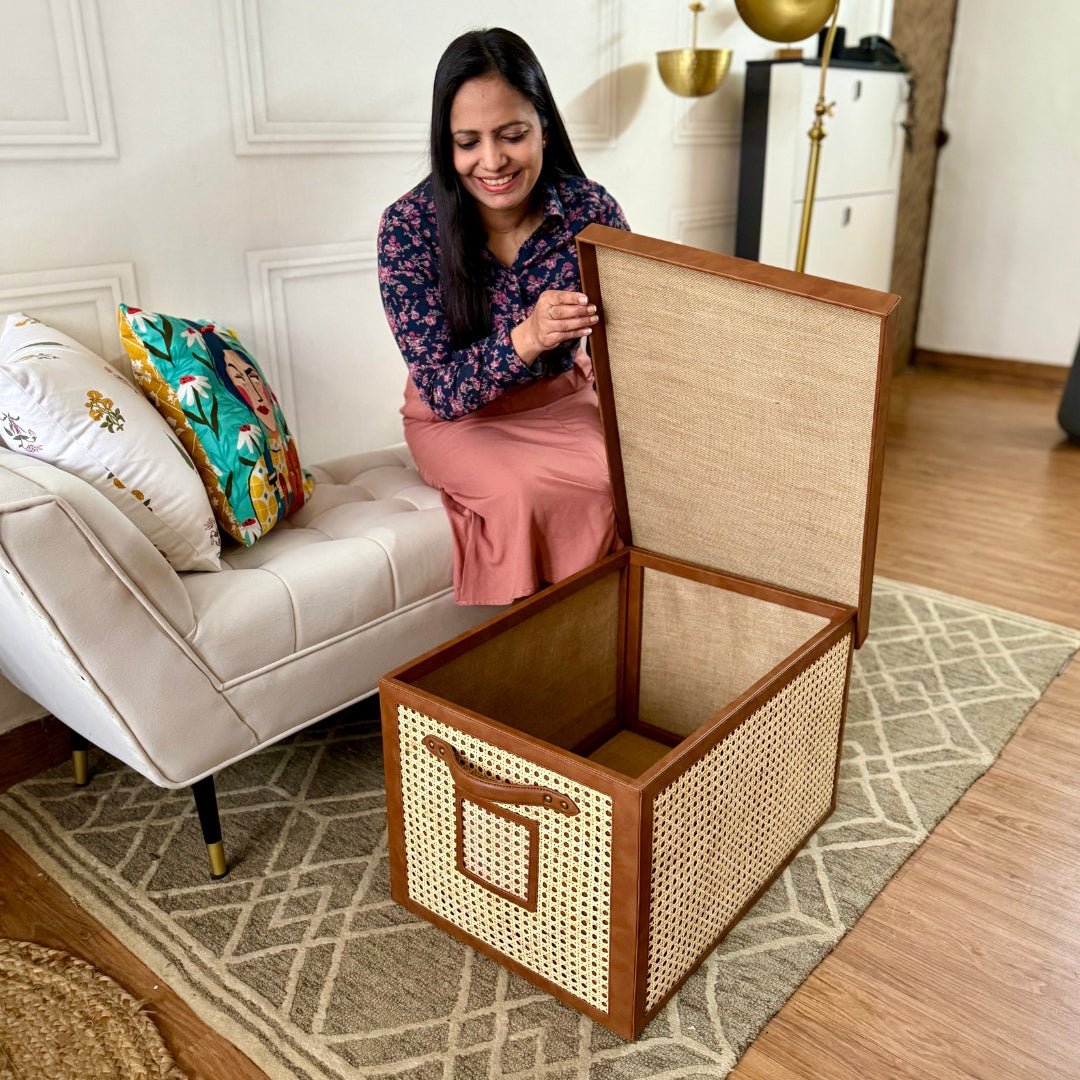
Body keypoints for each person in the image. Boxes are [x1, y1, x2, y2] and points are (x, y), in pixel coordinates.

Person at [377, 27, 629, 606]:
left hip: (565, 399)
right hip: (459, 422)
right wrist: (529, 337)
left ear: (543, 125)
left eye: (512, 135)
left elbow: (638, 334)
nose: (491, 162)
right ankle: (543, 652)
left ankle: (628, 642)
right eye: (468, 142)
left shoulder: (590, 210)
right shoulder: (409, 228)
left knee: (639, 480)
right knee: (524, 495)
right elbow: (440, 389)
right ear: (446, 144)